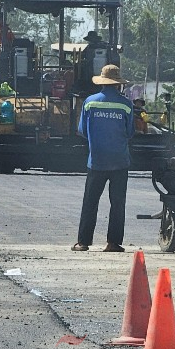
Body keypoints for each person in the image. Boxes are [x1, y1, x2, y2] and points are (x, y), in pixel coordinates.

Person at [73, 64, 134, 252]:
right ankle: (113, 243)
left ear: (102, 82)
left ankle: (83, 242)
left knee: (90, 201)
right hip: (120, 162)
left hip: (96, 161)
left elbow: (82, 131)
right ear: (118, 84)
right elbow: (130, 132)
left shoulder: (90, 102)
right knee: (117, 203)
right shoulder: (126, 104)